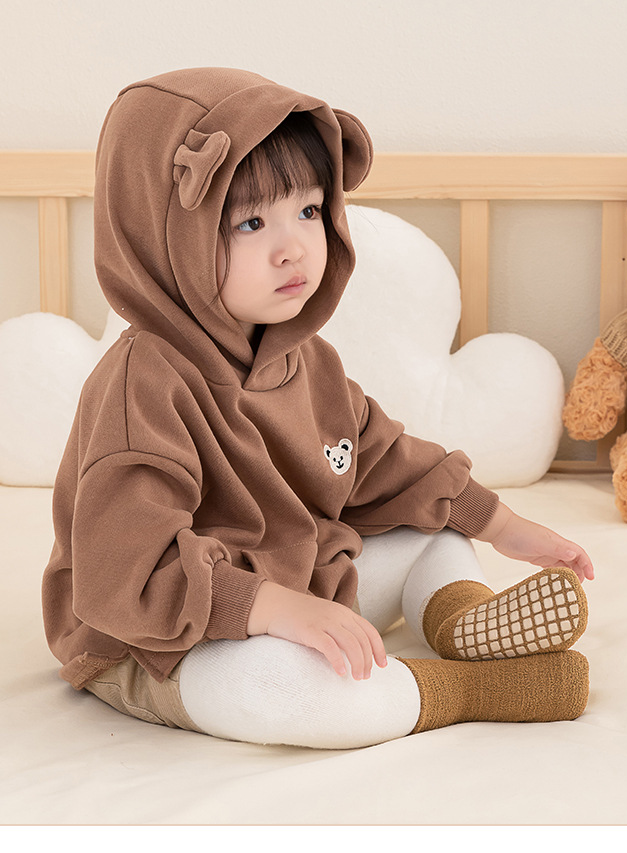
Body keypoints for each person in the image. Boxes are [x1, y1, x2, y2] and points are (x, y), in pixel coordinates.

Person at [42, 68, 594, 749]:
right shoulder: (143, 387)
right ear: (162, 240)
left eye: (308, 211)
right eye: (251, 222)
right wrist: (271, 608)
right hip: (156, 635)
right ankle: (466, 690)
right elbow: (125, 571)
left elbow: (382, 462)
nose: (294, 248)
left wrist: (502, 525)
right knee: (280, 688)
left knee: (435, 530)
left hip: (291, 581)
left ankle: (462, 622)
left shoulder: (303, 358)